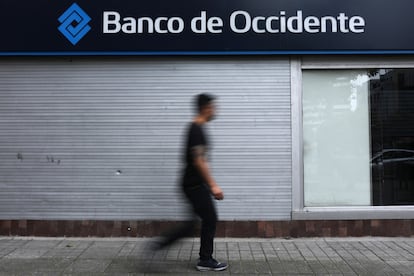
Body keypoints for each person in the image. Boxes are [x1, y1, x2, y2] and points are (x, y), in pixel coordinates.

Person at [154, 93, 228, 272]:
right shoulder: (196, 129)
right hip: (193, 185)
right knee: (209, 218)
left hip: (194, 184)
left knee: (192, 225)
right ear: (205, 108)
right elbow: (198, 160)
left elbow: (200, 159)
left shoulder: (197, 128)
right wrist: (213, 185)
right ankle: (205, 259)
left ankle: (158, 247)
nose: (215, 110)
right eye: (213, 107)